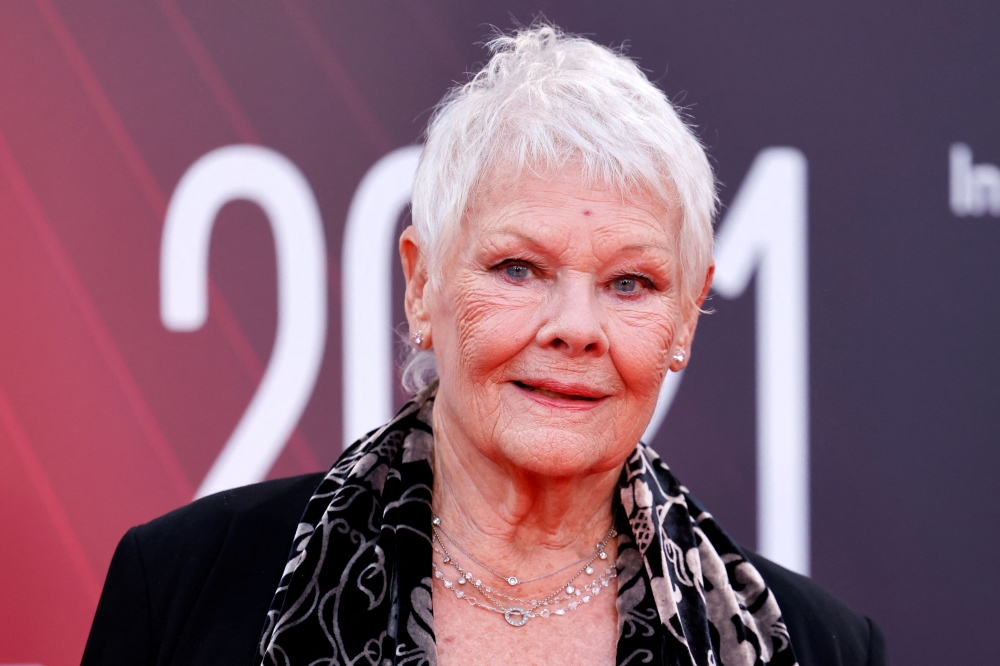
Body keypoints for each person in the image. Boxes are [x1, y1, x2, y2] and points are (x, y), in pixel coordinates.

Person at [82, 24, 886, 666]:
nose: (576, 327)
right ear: (422, 285)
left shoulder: (814, 646)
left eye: (630, 284)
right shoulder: (185, 590)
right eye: (518, 268)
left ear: (686, 316)